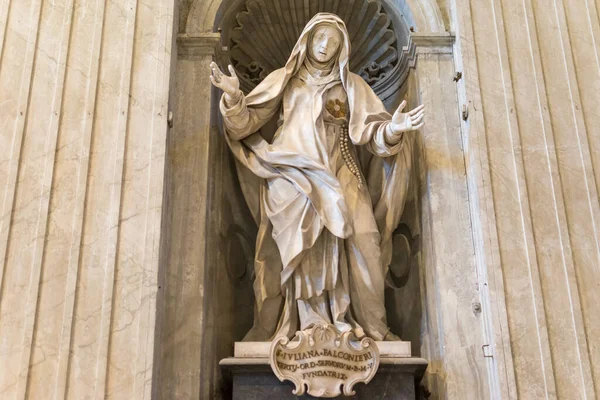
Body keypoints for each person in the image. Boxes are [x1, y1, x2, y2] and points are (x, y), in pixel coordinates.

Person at [210, 13, 424, 341]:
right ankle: (302, 325)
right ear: (307, 40)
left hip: (340, 173)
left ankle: (368, 327)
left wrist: (393, 129)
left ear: (343, 47)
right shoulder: (285, 80)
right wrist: (234, 98)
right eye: (320, 38)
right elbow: (243, 124)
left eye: (333, 41)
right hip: (291, 175)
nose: (325, 46)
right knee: (296, 250)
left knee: (365, 239)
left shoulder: (351, 86)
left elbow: (376, 135)